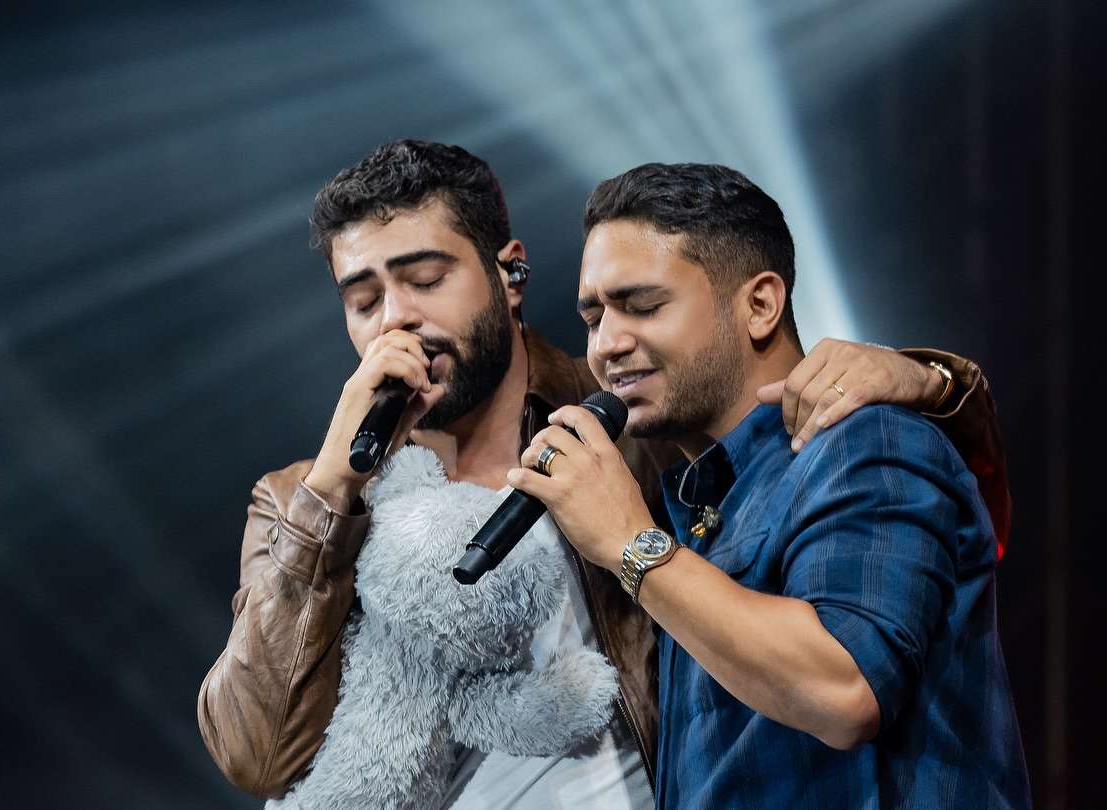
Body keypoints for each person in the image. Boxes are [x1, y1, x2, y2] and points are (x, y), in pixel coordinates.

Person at [197, 140, 1011, 807]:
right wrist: (332, 492)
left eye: (425, 279)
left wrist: (933, 383)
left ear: (510, 275)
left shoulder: (635, 430)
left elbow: (867, 492)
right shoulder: (305, 502)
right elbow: (255, 757)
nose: (395, 318)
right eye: (362, 298)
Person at [509, 162, 1028, 807]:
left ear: (759, 305)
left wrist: (629, 544)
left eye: (642, 306)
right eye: (593, 317)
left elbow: (845, 689)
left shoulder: (868, 443)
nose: (607, 343)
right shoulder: (698, 505)